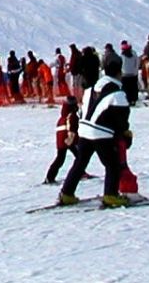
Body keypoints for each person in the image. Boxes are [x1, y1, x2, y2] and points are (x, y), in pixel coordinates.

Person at [58, 55, 131, 208]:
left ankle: (67, 193)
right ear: (119, 73)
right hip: (101, 134)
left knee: (80, 163)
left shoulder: (91, 89)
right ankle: (111, 195)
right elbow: (121, 121)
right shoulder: (118, 94)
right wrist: (125, 135)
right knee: (112, 165)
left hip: (84, 130)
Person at [44, 96, 80, 185]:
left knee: (61, 158)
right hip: (68, 139)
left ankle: (50, 176)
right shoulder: (72, 115)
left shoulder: (63, 116)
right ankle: (80, 172)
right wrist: (72, 139)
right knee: (79, 157)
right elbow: (73, 128)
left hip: (61, 139)